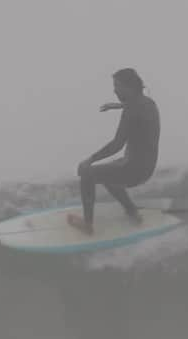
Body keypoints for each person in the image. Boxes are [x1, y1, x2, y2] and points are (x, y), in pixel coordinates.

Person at [68, 68, 160, 234]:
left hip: (134, 170)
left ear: (130, 87)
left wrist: (90, 159)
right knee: (109, 173)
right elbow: (136, 108)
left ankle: (87, 225)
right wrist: (119, 105)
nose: (114, 90)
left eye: (118, 86)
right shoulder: (149, 103)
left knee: (88, 173)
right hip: (147, 167)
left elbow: (117, 144)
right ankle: (132, 211)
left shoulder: (131, 111)